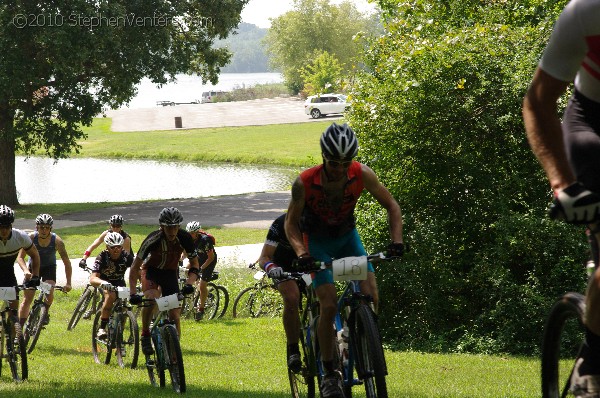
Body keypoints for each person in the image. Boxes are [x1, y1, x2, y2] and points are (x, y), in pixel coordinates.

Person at [284, 123, 404, 398]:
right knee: (327, 305)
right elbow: (291, 224)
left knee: (371, 294)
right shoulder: (305, 182)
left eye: (345, 163)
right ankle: (330, 373)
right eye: (333, 163)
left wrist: (396, 242)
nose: (339, 168)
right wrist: (302, 253)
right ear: (324, 158)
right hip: (318, 242)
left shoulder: (362, 174)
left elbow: (392, 206)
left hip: (348, 237)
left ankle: (359, 338)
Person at [523, 1, 600, 396]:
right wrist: (564, 184)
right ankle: (594, 356)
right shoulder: (586, 12)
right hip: (593, 124)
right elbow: (538, 102)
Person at [129, 207, 199, 356]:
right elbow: (135, 267)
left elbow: (195, 265)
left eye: (175, 227)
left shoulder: (185, 238)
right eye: (168, 227)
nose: (172, 231)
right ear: (161, 226)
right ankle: (145, 335)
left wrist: (189, 283)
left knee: (174, 314)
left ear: (179, 226)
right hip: (151, 272)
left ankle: (175, 350)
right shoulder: (152, 239)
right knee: (152, 299)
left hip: (169, 274)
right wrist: (133, 292)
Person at [258, 213, 301, 372]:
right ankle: (293, 349)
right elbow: (264, 257)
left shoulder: (318, 219)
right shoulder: (280, 223)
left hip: (309, 266)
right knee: (291, 298)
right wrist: (271, 267)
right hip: (283, 269)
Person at [17, 214, 73, 327]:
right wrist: (25, 271)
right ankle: (19, 330)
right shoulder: (31, 238)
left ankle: (44, 312)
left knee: (49, 291)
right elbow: (20, 257)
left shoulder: (57, 241)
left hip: (49, 268)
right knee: (27, 299)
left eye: (47, 227)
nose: (44, 230)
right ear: (36, 227)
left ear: (50, 228)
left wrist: (68, 283)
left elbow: (67, 262)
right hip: (33, 269)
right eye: (41, 227)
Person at [89, 231, 134, 339]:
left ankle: (119, 336)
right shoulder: (102, 257)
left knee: (125, 307)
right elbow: (93, 278)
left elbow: (138, 270)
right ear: (107, 247)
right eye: (112, 247)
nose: (116, 249)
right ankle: (102, 327)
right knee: (111, 296)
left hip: (119, 282)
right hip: (105, 282)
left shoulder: (126, 256)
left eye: (119, 247)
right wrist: (103, 283)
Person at [0, 205, 41, 314]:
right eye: (0, 227)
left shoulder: (20, 236)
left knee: (13, 310)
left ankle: (11, 327)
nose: (4, 230)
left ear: (11, 225)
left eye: (7, 226)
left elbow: (35, 255)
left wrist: (35, 275)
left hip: (7, 274)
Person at [182, 221, 218, 321]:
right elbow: (185, 251)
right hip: (199, 258)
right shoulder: (188, 238)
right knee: (186, 271)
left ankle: (201, 309)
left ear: (197, 232)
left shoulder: (205, 240)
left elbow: (211, 257)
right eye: (189, 233)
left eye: (192, 233)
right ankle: (197, 291)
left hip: (209, 260)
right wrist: (181, 258)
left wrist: (202, 268)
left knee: (202, 285)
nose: (190, 235)